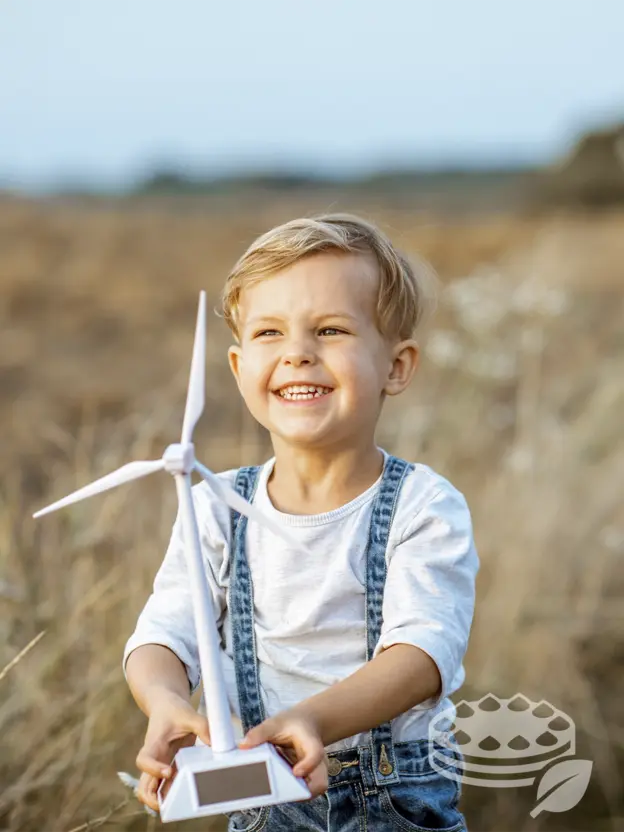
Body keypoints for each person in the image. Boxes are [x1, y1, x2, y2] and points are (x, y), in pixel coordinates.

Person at [123, 213, 479, 831]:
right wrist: (166, 702)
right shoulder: (212, 503)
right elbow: (164, 635)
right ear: (237, 368)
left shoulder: (422, 505)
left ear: (396, 366)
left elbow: (423, 652)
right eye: (269, 333)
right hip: (260, 798)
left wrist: (315, 719)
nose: (297, 353)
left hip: (392, 800)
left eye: (330, 329)